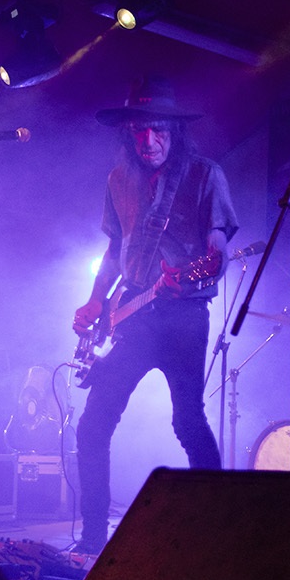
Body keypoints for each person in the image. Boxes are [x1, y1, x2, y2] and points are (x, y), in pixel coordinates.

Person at [71, 76, 239, 554]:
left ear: (175, 131)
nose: (148, 141)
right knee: (93, 425)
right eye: (139, 131)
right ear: (129, 132)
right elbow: (115, 248)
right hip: (132, 317)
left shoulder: (205, 175)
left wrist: (199, 272)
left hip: (183, 316)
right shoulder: (119, 179)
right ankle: (92, 538)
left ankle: (216, 531)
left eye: (159, 130)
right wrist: (96, 300)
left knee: (187, 420)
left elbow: (218, 250)